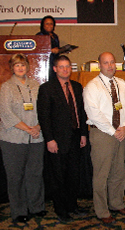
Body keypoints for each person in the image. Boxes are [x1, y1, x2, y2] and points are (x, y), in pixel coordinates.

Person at [83, 52, 125, 224]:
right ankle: (102, 211)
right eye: (106, 63)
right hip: (102, 134)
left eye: (112, 62)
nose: (110, 66)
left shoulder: (122, 83)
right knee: (101, 175)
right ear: (99, 65)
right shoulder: (92, 87)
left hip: (121, 133)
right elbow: (94, 114)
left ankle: (116, 203)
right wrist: (114, 131)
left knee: (119, 172)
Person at [37, 55, 88, 223]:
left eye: (68, 66)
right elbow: (44, 117)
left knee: (74, 175)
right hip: (57, 141)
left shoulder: (77, 87)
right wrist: (49, 139)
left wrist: (83, 134)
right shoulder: (46, 88)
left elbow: (81, 112)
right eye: (61, 66)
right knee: (58, 177)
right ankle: (61, 210)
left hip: (75, 138)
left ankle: (72, 206)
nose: (65, 69)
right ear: (55, 69)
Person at [0, 53, 46, 223]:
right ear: (12, 68)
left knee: (35, 174)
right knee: (15, 176)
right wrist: (27, 128)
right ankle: (19, 210)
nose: (20, 68)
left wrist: (39, 127)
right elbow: (6, 114)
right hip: (13, 140)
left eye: (23, 65)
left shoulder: (36, 85)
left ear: (28, 67)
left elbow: (44, 109)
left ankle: (36, 206)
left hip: (36, 138)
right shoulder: (6, 87)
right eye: (16, 65)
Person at [36, 15, 60, 80]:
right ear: (43, 25)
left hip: (54, 63)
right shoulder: (39, 36)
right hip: (44, 64)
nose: (49, 25)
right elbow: (37, 51)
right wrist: (51, 50)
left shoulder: (55, 36)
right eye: (47, 24)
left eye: (51, 24)